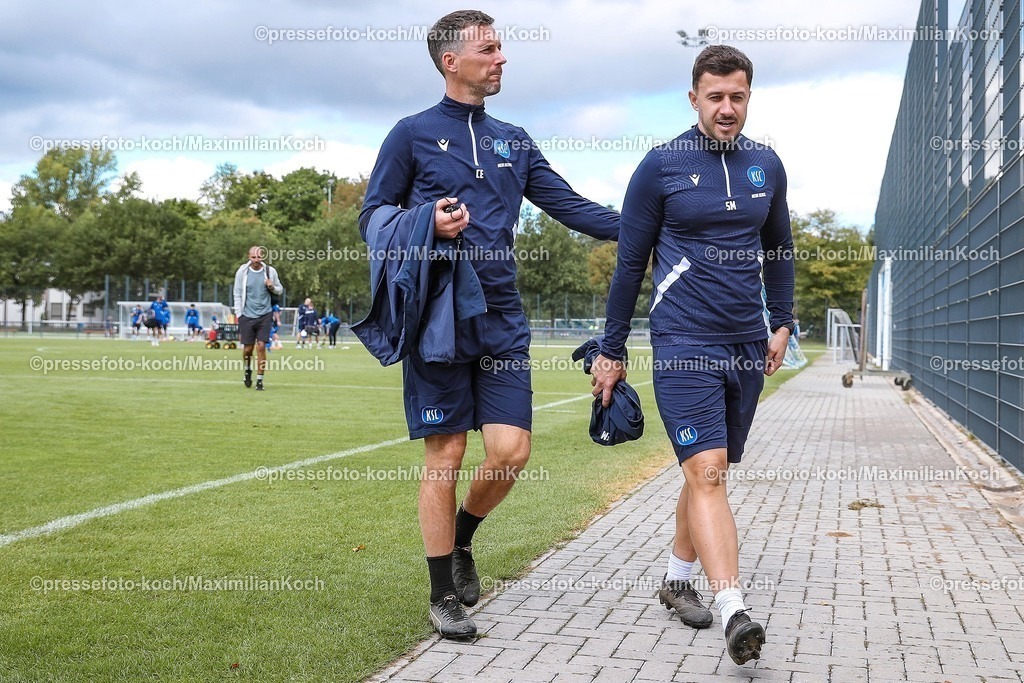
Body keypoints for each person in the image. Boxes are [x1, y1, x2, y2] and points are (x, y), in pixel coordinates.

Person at [359, 9, 618, 640]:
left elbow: (571, 206)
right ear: (451, 61)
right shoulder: (411, 134)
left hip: (500, 315)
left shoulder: (515, 140)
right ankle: (442, 595)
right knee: (446, 451)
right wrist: (427, 222)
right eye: (489, 49)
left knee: (511, 451)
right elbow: (373, 217)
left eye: (500, 48)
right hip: (438, 316)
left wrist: (651, 225)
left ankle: (463, 539)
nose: (501, 58)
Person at [590, 45, 794, 666]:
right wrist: (612, 349)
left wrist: (782, 321)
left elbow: (779, 248)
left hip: (746, 343)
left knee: (711, 469)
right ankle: (734, 609)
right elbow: (629, 266)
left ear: (748, 97)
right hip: (683, 341)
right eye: (715, 97)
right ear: (693, 98)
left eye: (737, 97)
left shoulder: (766, 164)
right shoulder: (660, 167)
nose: (727, 108)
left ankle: (677, 579)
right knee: (705, 469)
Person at [232, 246, 284, 390]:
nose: (256, 260)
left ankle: (260, 380)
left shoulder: (270, 271)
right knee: (248, 349)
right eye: (253, 257)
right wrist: (239, 314)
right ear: (249, 257)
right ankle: (247, 369)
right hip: (246, 315)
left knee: (261, 346)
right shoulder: (242, 272)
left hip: (265, 315)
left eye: (259, 257)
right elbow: (237, 293)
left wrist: (272, 287)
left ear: (263, 257)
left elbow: (280, 290)